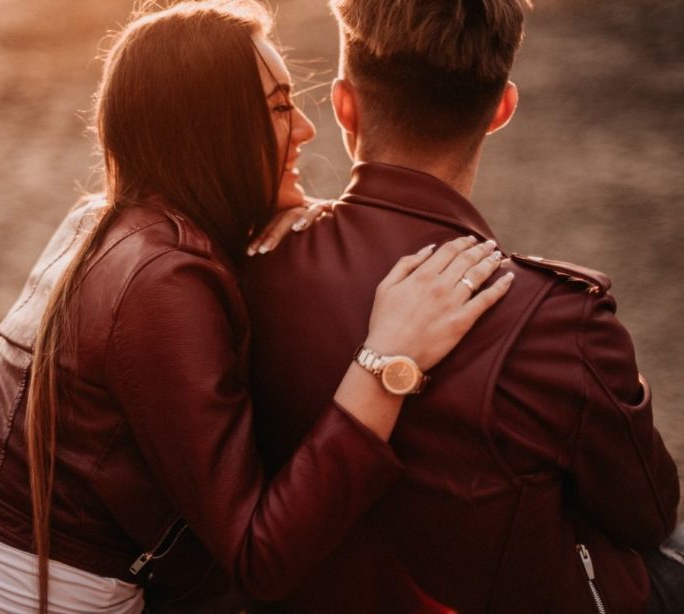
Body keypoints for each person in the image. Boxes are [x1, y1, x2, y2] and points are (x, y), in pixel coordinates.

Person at [0, 2, 514, 613]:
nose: (305, 130)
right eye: (281, 107)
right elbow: (261, 557)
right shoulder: (162, 281)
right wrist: (389, 361)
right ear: (211, 128)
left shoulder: (102, 219)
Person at [244, 0, 683, 612]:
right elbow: (649, 512)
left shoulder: (251, 265)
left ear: (344, 105)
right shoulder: (561, 320)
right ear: (501, 109)